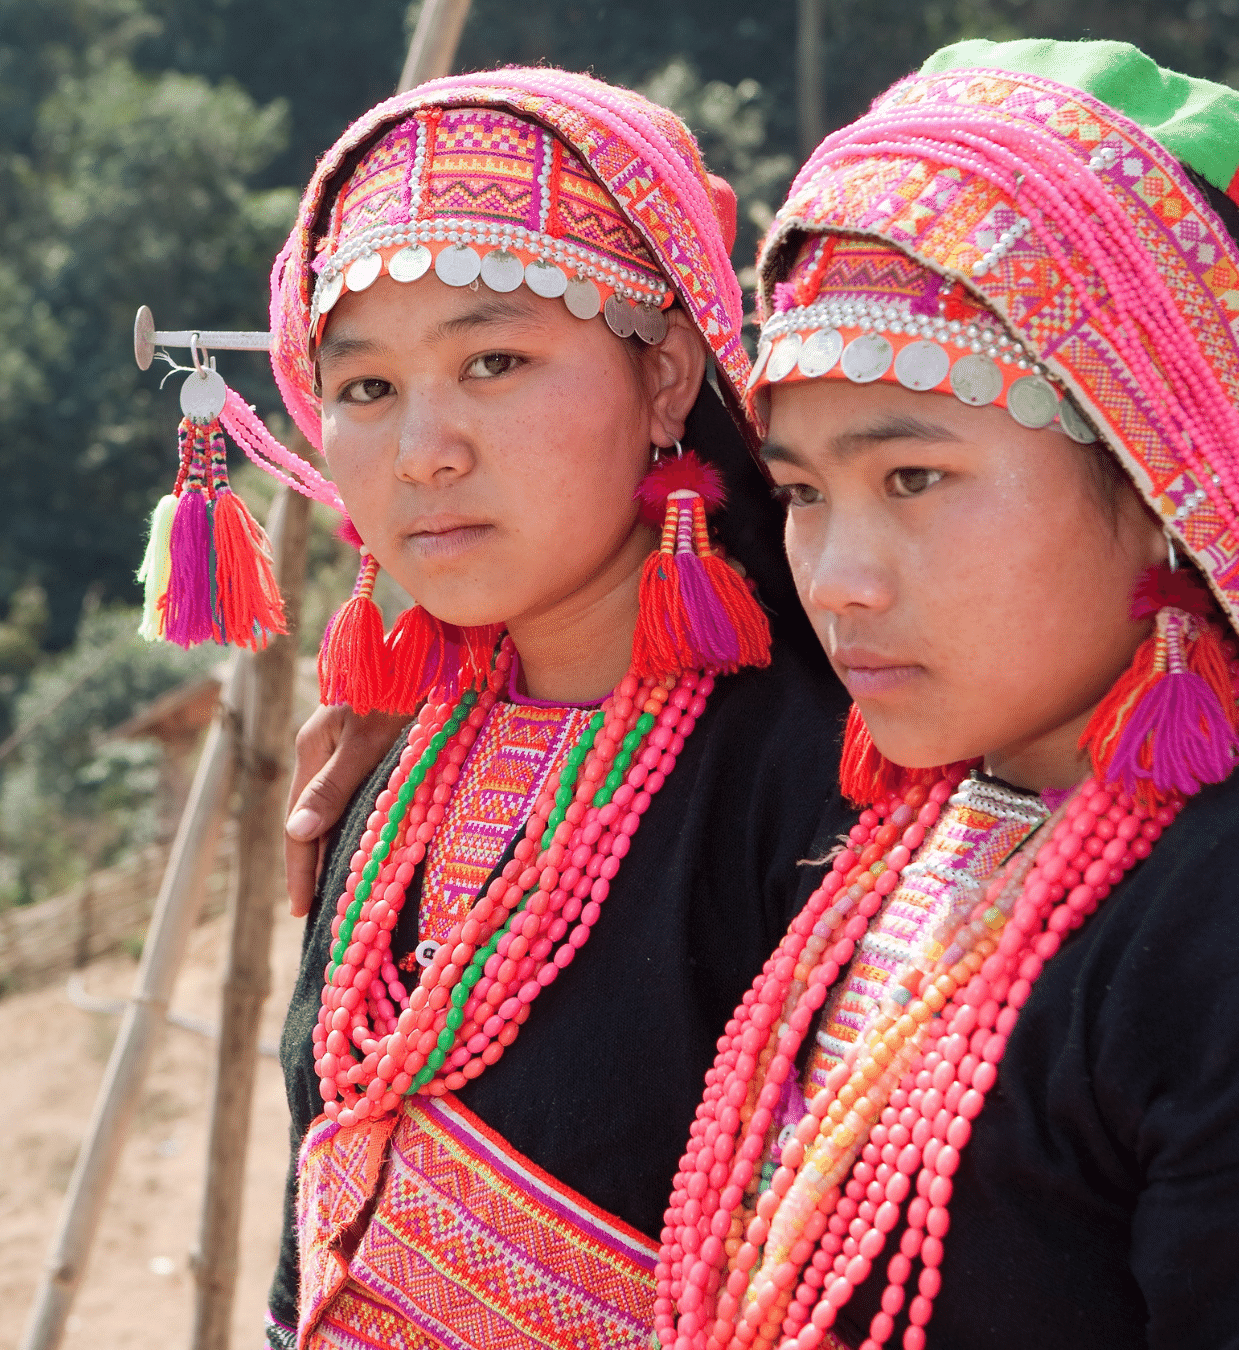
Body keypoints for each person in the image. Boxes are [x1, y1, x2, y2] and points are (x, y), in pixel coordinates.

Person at [656, 39, 1239, 1350]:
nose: (839, 581)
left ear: (1169, 480)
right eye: (804, 493)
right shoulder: (925, 822)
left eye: (914, 480)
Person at [200, 70, 857, 1349]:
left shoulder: (817, 785)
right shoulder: (399, 767)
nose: (424, 450)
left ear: (665, 376)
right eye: (367, 388)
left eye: (495, 360)